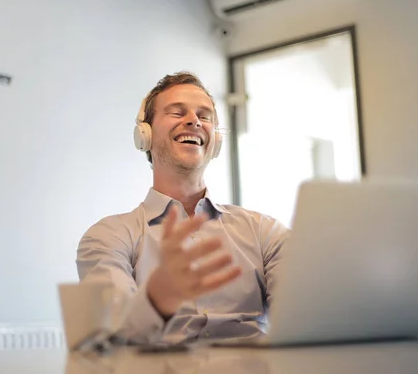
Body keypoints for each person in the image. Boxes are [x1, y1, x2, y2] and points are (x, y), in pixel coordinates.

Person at [76, 72, 289, 345]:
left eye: (205, 115)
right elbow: (110, 338)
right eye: (177, 112)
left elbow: (303, 318)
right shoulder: (108, 236)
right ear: (145, 134)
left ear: (216, 141)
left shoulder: (266, 232)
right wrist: (155, 300)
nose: (194, 120)